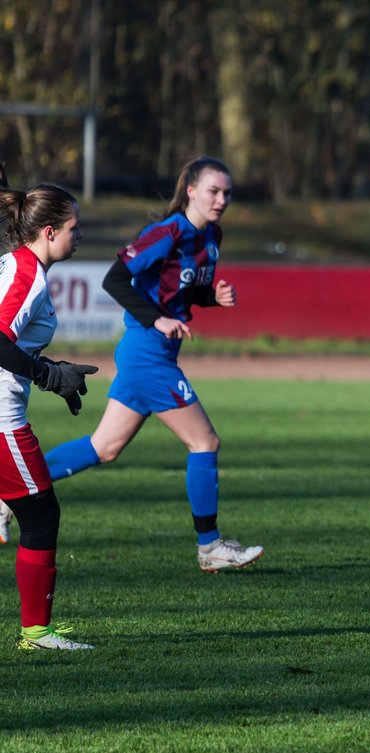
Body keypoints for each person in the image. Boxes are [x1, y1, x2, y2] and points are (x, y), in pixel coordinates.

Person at [40, 156, 263, 573]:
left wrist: (213, 296)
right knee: (205, 443)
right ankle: (210, 545)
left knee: (102, 449)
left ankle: (7, 495)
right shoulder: (167, 232)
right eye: (214, 191)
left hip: (152, 354)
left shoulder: (211, 235)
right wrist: (156, 318)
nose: (222, 199)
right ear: (191, 191)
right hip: (146, 354)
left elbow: (185, 291)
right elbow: (115, 279)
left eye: (227, 193)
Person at [0, 175, 101, 649]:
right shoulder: (26, 276)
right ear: (50, 232)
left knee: (37, 512)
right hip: (1, 420)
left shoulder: (20, 265)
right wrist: (46, 376)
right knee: (41, 515)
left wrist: (53, 372)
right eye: (75, 227)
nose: (80, 236)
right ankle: (36, 633)